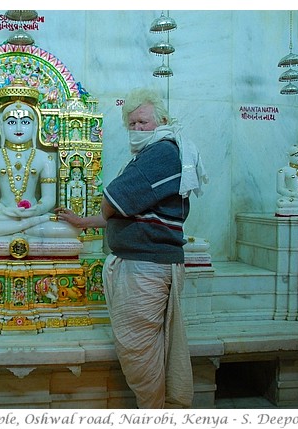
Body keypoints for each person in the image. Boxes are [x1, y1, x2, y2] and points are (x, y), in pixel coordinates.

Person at [56, 88, 205, 409]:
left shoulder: (162, 152)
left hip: (144, 268)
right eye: (132, 124)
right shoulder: (155, 154)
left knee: (140, 353)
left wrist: (103, 209)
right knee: (149, 351)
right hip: (146, 264)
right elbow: (129, 211)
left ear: (162, 121)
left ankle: (153, 413)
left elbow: (112, 201)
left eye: (143, 122)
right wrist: (82, 222)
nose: (137, 129)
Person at [0, 82, 80, 240]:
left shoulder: (45, 158)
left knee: (73, 230)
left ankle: (16, 228)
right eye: (12, 122)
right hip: (2, 216)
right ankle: (21, 228)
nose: (18, 127)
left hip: (35, 215)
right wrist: (4, 211)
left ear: (35, 127)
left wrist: (35, 210)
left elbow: (49, 198)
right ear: (1, 127)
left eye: (26, 122)